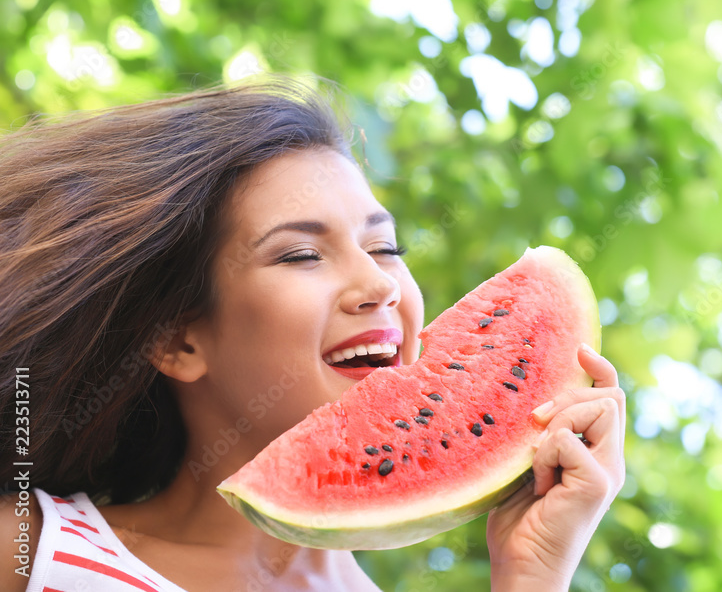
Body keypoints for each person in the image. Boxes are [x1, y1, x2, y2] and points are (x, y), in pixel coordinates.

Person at [0, 76, 626, 591]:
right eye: (301, 254)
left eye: (384, 246)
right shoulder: (31, 553)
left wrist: (533, 577)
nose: (379, 284)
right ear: (177, 341)